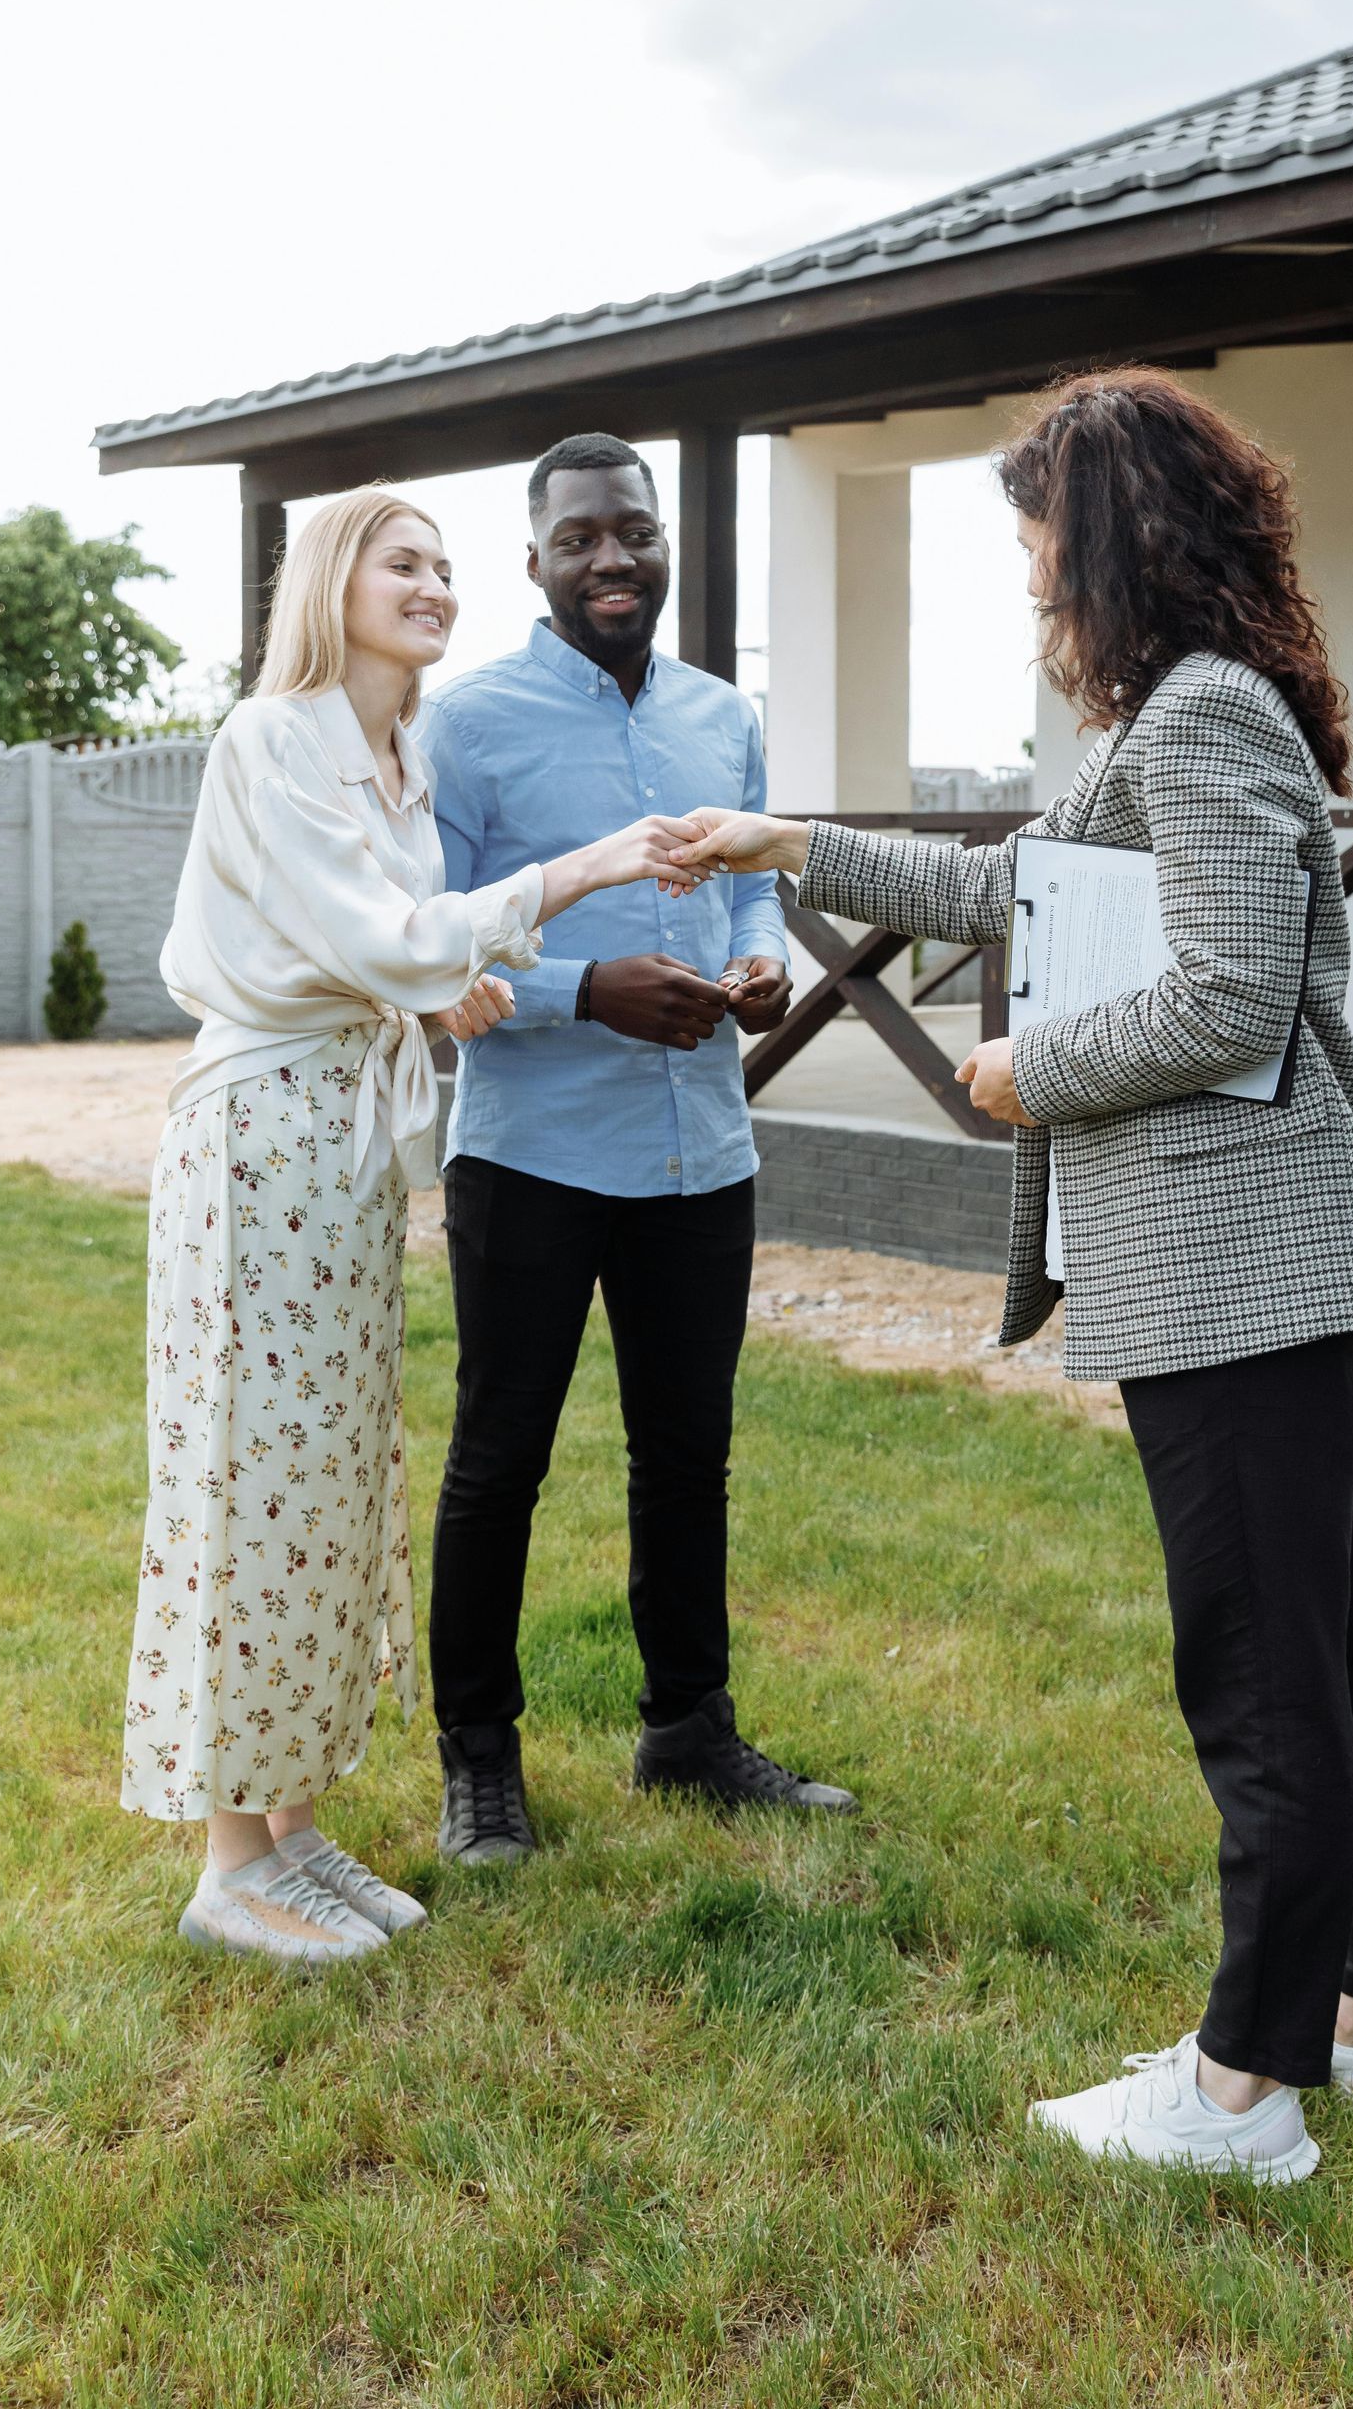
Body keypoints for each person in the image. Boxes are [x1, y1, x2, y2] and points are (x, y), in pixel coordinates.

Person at [684, 370, 1353, 2183]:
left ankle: (1244, 2095)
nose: (1034, 588)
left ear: (1117, 543)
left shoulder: (1202, 720)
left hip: (1231, 1258)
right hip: (1252, 1257)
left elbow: (1227, 1000)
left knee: (1266, 1675)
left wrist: (1037, 1070)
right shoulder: (1195, 714)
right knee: (1346, 1657)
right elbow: (1040, 886)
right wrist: (795, 844)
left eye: (1042, 552)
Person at [122, 485, 705, 1967]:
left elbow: (382, 948)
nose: (436, 587)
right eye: (405, 563)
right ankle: (222, 1865)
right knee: (254, 1482)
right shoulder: (274, 736)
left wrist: (438, 989)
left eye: (447, 569)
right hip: (262, 1144)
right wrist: (580, 870)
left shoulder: (390, 761)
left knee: (331, 1489)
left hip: (347, 1149)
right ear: (333, 581)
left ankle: (290, 1829)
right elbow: (381, 936)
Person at [422, 432, 856, 1864]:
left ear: (666, 542)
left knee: (690, 1456)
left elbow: (744, 891)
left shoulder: (723, 717)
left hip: (698, 1157)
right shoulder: (464, 726)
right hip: (532, 1151)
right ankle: (479, 1760)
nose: (613, 559)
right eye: (580, 538)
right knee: (501, 1460)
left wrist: (758, 960)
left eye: (635, 533)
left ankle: (689, 1731)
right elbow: (436, 945)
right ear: (534, 559)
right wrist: (582, 987)